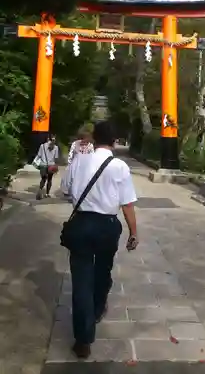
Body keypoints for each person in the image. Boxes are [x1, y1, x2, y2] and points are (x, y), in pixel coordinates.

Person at [62, 120, 138, 359]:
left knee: (81, 280)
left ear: (94, 138)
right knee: (103, 271)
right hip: (107, 226)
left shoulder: (78, 161)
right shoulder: (119, 167)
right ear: (115, 141)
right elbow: (127, 204)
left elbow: (66, 189)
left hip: (81, 223)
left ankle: (83, 340)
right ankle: (96, 309)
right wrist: (134, 232)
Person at [36, 134, 59, 200]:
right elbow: (56, 158)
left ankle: (39, 191)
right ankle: (47, 194)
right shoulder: (56, 147)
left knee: (43, 179)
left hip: (43, 165)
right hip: (51, 166)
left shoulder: (42, 146)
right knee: (49, 179)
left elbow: (39, 155)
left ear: (47, 138)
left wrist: (36, 163)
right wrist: (56, 166)